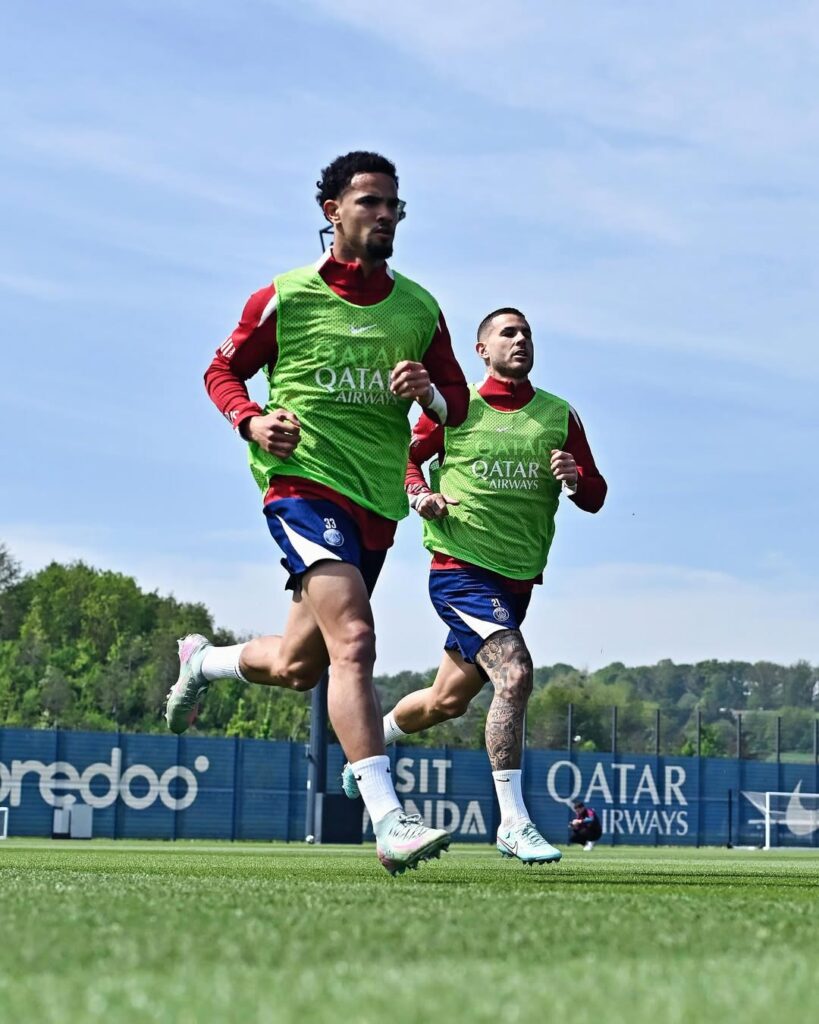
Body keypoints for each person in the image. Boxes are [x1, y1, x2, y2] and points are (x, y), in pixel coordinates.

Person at [165, 151, 469, 876]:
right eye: (369, 202)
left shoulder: (419, 309)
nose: (385, 214)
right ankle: (388, 820)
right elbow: (222, 370)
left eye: (394, 204)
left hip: (374, 501)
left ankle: (204, 660)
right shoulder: (286, 296)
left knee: (303, 665)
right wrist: (250, 422)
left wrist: (427, 391)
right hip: (300, 486)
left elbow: (457, 406)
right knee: (354, 641)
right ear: (331, 211)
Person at [343, 307, 607, 864]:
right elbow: (404, 462)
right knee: (514, 673)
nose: (521, 340)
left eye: (528, 332)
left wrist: (577, 479)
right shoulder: (457, 408)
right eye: (507, 333)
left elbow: (596, 495)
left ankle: (371, 744)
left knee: (445, 701)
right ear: (481, 350)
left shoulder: (559, 416)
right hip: (459, 568)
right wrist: (421, 498)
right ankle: (512, 823)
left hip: (515, 583)